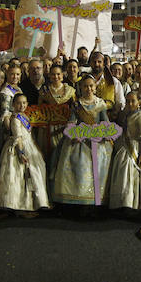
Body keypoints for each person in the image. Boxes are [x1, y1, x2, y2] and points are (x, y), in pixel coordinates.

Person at [51, 75, 113, 207]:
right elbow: (72, 121)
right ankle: (78, 201)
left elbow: (105, 121)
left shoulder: (100, 104)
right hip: (80, 140)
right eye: (85, 86)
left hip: (96, 140)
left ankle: (96, 203)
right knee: (79, 171)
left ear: (95, 88)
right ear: (81, 88)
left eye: (91, 86)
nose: (88, 89)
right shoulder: (77, 104)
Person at [0, 93, 50, 213]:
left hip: (29, 144)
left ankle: (33, 203)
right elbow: (18, 137)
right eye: (19, 103)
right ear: (13, 104)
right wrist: (21, 153)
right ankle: (21, 206)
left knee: (35, 171)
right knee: (20, 175)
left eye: (24, 103)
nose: (22, 105)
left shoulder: (24, 116)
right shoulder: (15, 118)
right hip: (19, 147)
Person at [109, 91, 141, 210]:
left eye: (133, 101)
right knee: (123, 170)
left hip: (138, 147)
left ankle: (138, 203)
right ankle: (125, 203)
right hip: (127, 144)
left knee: (133, 172)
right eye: (127, 101)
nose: (130, 103)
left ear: (139, 103)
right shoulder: (127, 114)